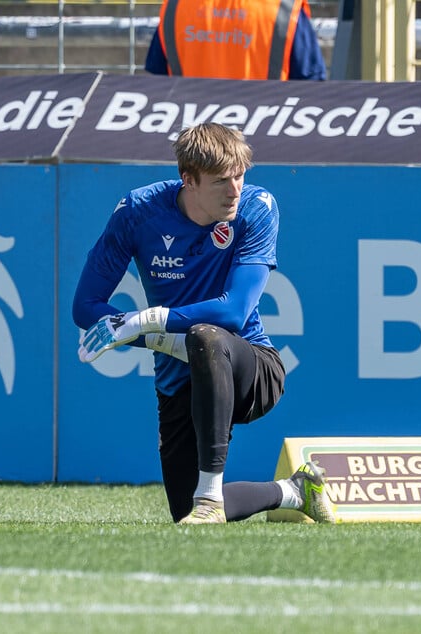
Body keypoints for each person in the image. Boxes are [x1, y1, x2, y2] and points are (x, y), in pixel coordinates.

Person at [72, 122, 336, 525]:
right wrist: (157, 340)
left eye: (239, 176)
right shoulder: (138, 212)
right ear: (188, 180)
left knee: (207, 337)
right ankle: (294, 490)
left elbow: (233, 312)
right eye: (220, 182)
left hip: (252, 366)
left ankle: (212, 499)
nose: (234, 190)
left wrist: (148, 321)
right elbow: (86, 307)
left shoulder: (256, 207)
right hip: (178, 379)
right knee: (184, 511)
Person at [144, 0, 327, 80]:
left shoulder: (178, 5)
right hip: (266, 136)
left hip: (192, 141)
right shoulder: (282, 7)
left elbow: (157, 77)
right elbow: (310, 80)